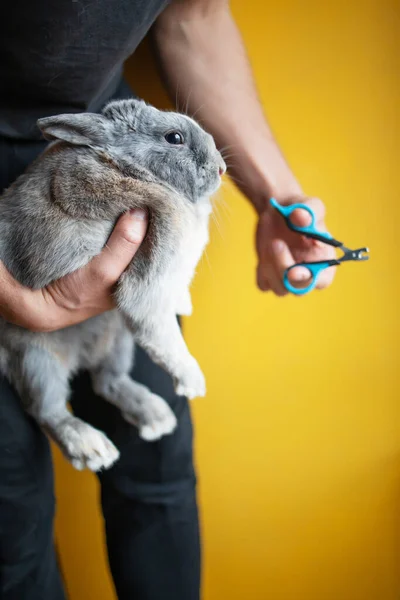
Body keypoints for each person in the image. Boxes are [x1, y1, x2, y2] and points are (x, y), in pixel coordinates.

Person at [0, 0, 336, 598]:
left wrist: (278, 199)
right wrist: (18, 300)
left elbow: (195, 16)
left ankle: (113, 382)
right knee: (14, 510)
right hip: (49, 191)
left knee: (159, 465)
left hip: (118, 134)